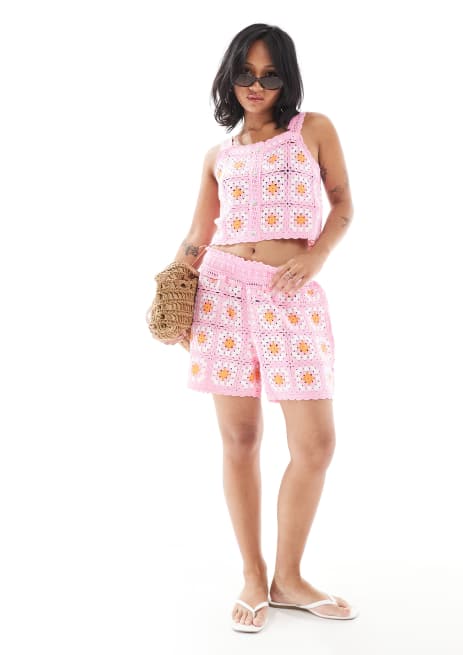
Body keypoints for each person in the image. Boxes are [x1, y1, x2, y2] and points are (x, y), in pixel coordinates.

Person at [150, 24, 356, 632]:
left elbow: (343, 205)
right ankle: (252, 573)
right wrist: (171, 293)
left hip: (290, 296)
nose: (256, 85)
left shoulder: (312, 130)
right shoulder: (219, 156)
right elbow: (199, 234)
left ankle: (289, 579)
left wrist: (317, 256)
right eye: (245, 73)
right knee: (239, 439)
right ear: (230, 78)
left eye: (269, 74)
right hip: (221, 296)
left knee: (315, 445)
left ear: (286, 79)